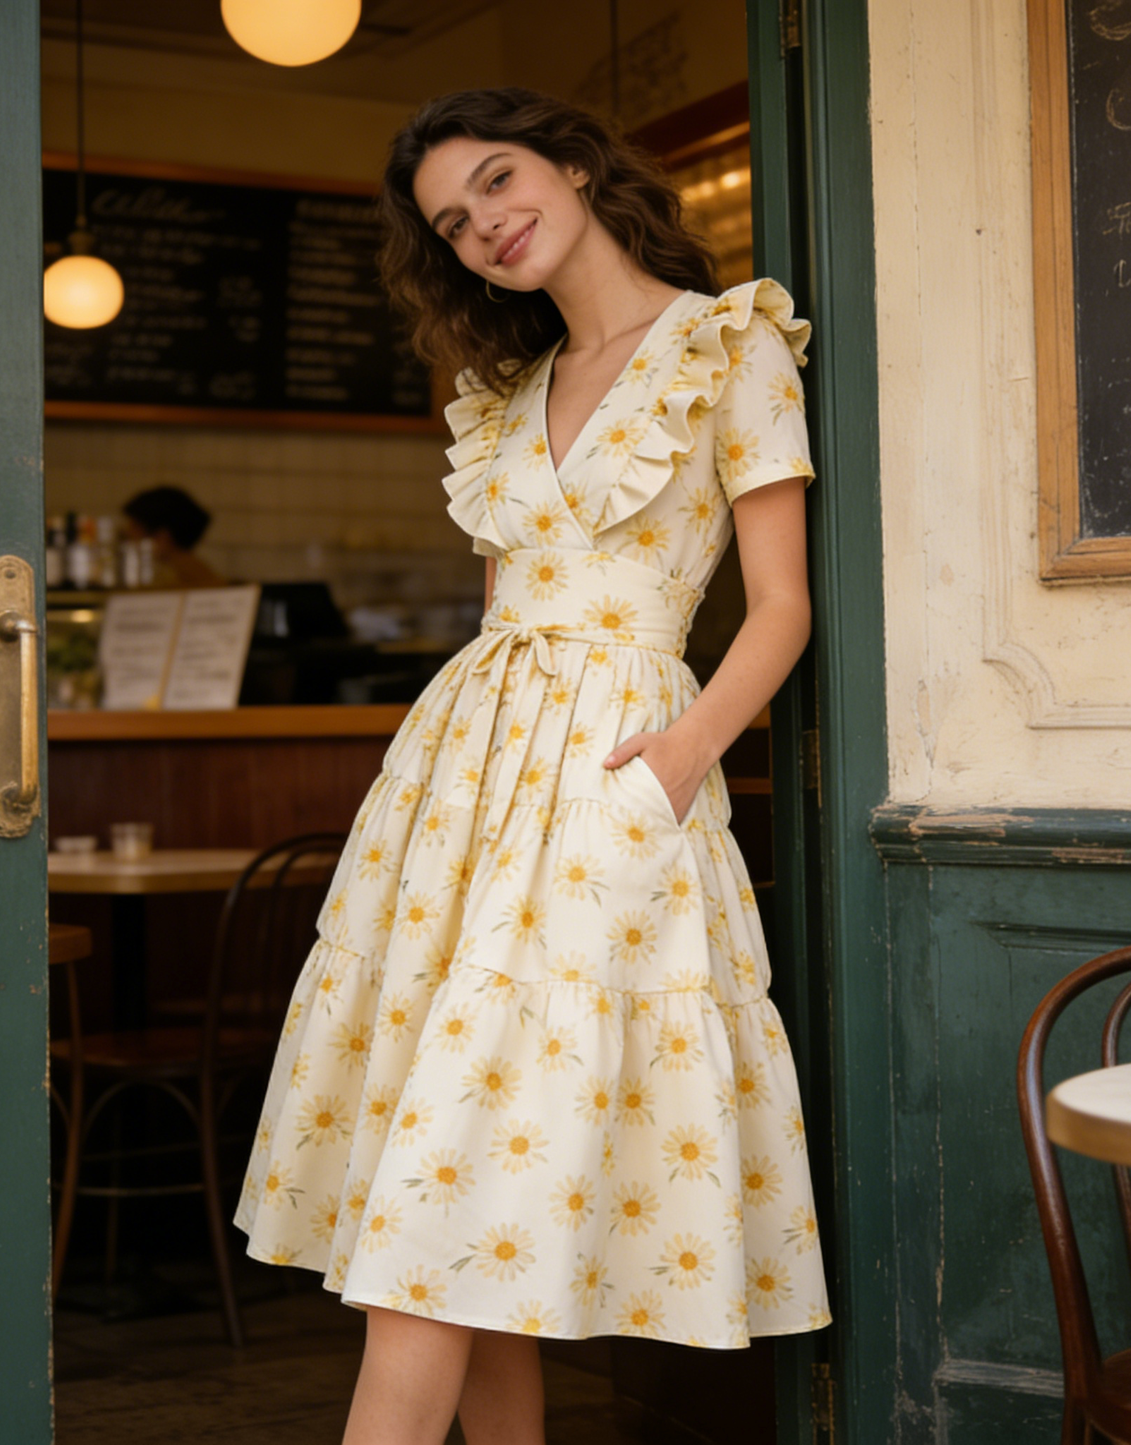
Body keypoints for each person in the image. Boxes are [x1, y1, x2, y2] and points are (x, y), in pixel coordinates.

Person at [235, 88, 830, 1445]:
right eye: (452, 222)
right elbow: (504, 612)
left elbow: (780, 606)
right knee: (464, 1222)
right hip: (458, 790)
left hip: (616, 772)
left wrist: (677, 760)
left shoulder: (727, 344)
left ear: (573, 165)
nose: (484, 223)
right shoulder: (498, 399)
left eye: (498, 182)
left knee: (440, 1218)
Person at [121, 484, 224, 588]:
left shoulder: (173, 578)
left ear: (162, 536)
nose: (128, 534)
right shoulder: (190, 569)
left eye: (135, 526)